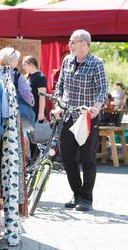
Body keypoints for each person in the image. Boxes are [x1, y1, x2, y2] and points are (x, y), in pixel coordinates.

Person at [53, 29, 107, 211]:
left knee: (87, 159)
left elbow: (102, 90)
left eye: (72, 41)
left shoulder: (96, 63)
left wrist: (96, 108)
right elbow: (59, 86)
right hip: (68, 116)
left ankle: (86, 198)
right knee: (68, 158)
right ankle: (76, 193)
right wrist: (58, 106)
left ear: (84, 44)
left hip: (87, 117)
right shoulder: (67, 60)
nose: (69, 44)